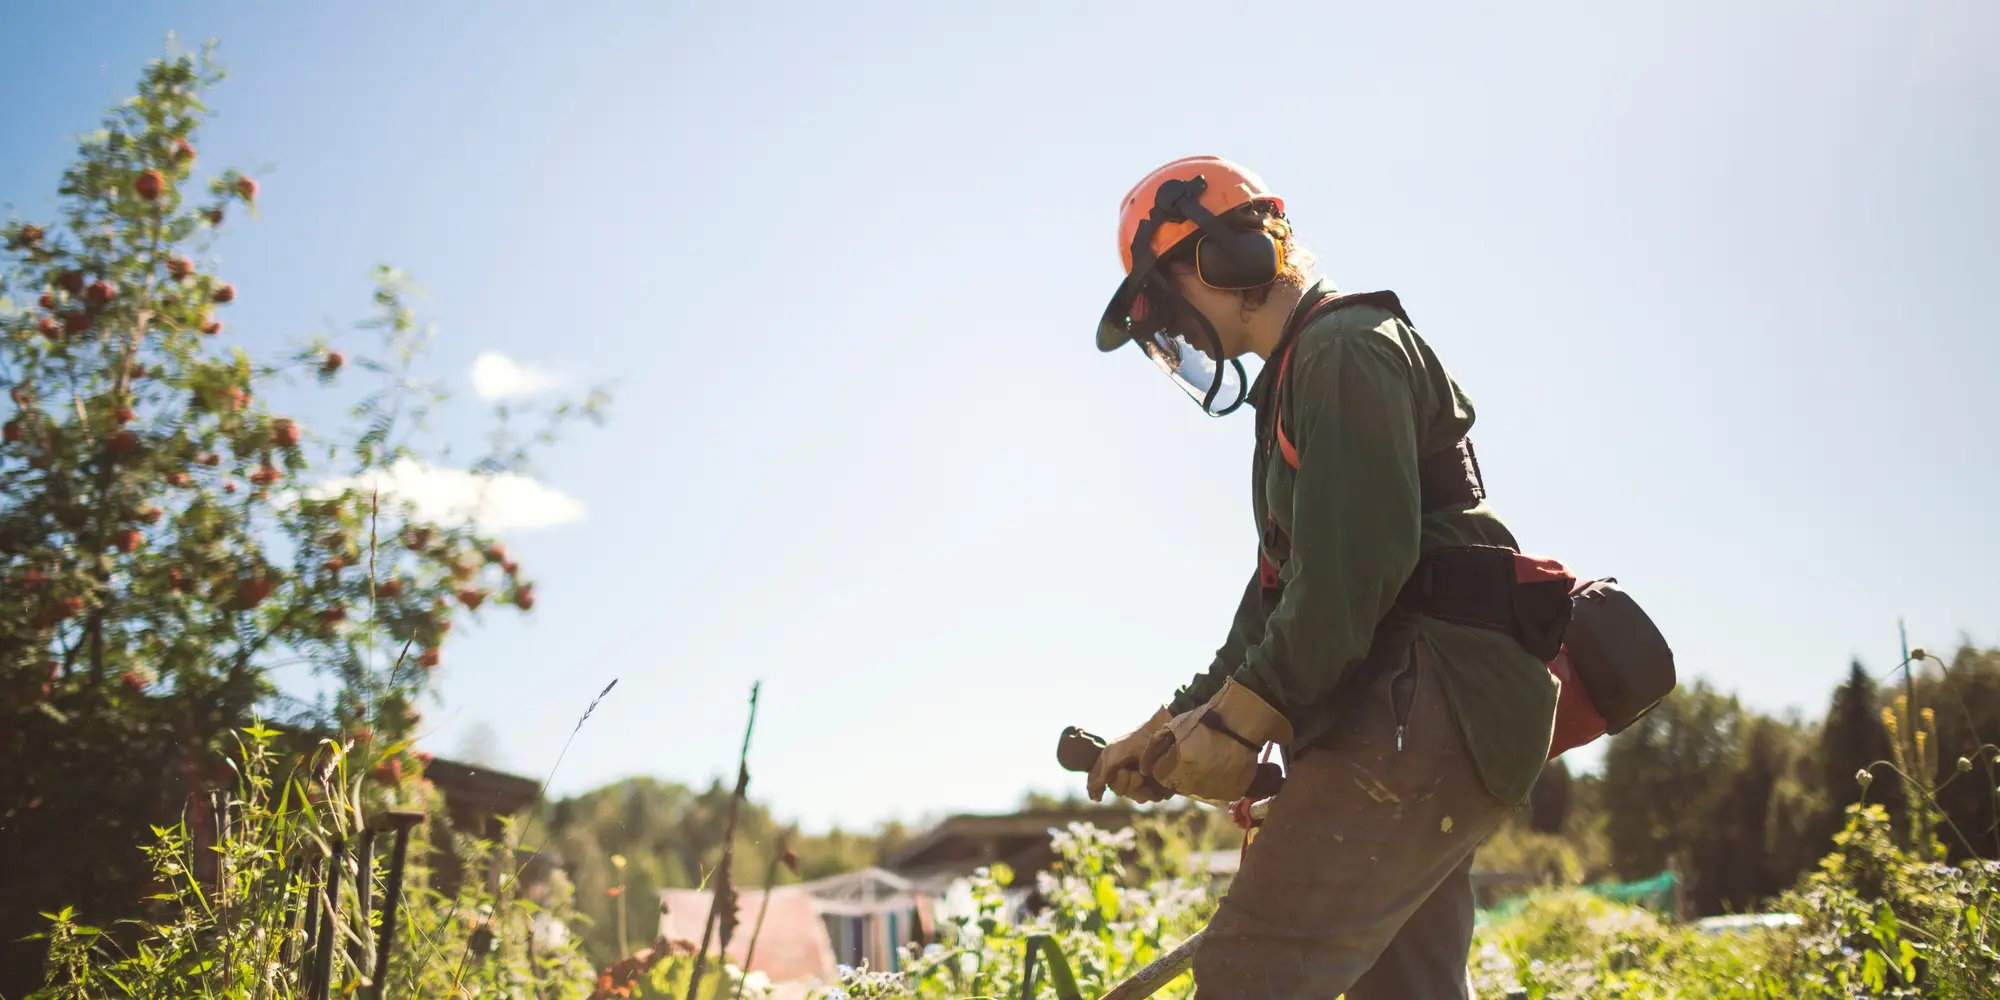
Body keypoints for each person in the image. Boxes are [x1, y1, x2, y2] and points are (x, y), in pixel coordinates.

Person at [1085, 156, 1560, 998]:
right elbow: (1276, 605)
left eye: (1161, 306)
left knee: (1250, 975)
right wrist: (1172, 728)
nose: (1170, 337)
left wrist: (1236, 725)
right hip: (1428, 707)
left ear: (1223, 259)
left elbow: (1347, 580)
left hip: (1425, 704)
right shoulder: (1300, 380)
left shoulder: (1343, 352)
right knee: (1404, 990)